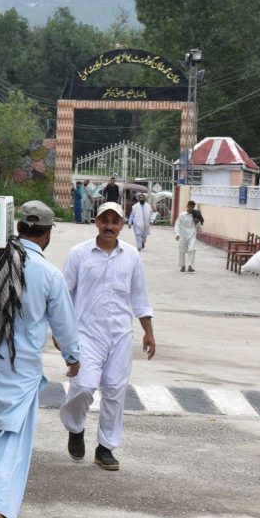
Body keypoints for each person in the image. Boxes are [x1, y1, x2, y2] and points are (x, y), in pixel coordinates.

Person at [0, 201, 81, 518]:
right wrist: (73, 358)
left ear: (18, 229)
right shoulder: (49, 274)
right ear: (46, 233)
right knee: (13, 436)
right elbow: (65, 325)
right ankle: (0, 506)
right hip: (19, 367)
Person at [59, 202, 155, 472]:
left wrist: (148, 332)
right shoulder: (78, 254)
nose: (109, 226)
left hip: (121, 335)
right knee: (84, 386)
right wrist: (59, 332)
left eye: (115, 221)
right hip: (85, 334)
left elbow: (140, 296)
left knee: (114, 391)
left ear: (123, 225)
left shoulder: (132, 256)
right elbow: (63, 296)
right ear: (96, 222)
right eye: (105, 220)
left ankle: (105, 448)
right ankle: (76, 428)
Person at [174, 201, 200, 273]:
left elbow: (199, 223)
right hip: (183, 234)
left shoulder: (196, 215)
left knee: (192, 249)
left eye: (192, 207)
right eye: (189, 206)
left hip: (192, 234)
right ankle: (182, 266)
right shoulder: (182, 215)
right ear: (187, 206)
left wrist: (196, 221)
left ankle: (190, 266)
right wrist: (177, 234)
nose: (191, 208)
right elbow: (177, 224)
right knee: (182, 250)